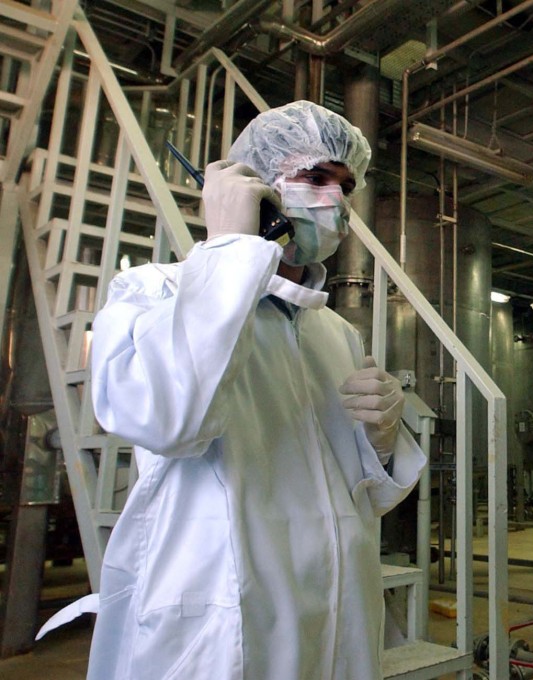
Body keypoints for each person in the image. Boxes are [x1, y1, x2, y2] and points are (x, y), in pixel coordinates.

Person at [81, 101, 426, 679]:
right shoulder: (155, 293)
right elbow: (171, 421)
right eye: (315, 177)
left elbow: (359, 496)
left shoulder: (335, 331)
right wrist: (231, 248)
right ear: (255, 186)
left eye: (346, 187)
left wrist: (381, 443)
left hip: (337, 609)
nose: (336, 201)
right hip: (227, 617)